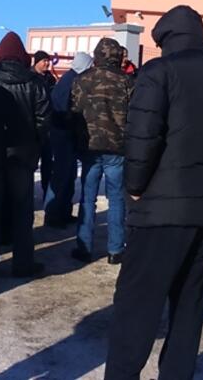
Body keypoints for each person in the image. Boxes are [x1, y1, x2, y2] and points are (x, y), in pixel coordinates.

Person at [105, 6, 203, 380]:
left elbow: (142, 137)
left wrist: (134, 186)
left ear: (165, 40)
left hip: (160, 210)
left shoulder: (159, 73)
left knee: (136, 306)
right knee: (187, 306)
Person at [0, 32, 51, 278]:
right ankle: (22, 263)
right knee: (23, 211)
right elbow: (44, 119)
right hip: (23, 154)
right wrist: (34, 143)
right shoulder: (34, 82)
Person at [70, 39, 133, 264]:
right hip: (117, 146)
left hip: (90, 145)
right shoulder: (127, 81)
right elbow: (133, 115)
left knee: (88, 198)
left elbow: (74, 111)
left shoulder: (82, 79)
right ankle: (115, 249)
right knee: (117, 198)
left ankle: (84, 246)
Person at [44, 51, 93, 228]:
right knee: (61, 174)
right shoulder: (72, 81)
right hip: (63, 133)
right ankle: (53, 214)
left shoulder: (71, 78)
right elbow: (65, 110)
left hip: (65, 133)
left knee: (69, 173)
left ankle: (63, 211)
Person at [32, 50, 57, 199]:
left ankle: (47, 191)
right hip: (35, 127)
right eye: (44, 61)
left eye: (48, 61)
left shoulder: (50, 79)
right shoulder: (30, 78)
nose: (47, 63)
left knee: (48, 162)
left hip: (49, 126)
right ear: (37, 62)